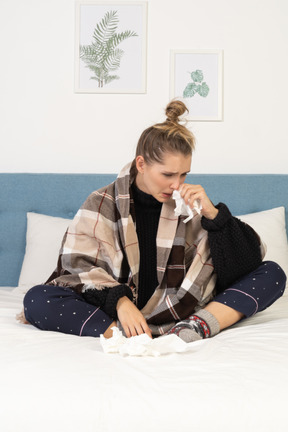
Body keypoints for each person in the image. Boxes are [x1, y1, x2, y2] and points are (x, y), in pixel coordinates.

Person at [21, 100, 286, 343]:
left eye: (184, 175)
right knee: (37, 299)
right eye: (168, 174)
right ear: (141, 164)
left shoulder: (190, 206)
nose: (176, 185)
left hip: (183, 311)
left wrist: (213, 216)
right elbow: (78, 270)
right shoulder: (101, 202)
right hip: (113, 312)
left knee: (273, 273)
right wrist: (120, 302)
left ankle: (193, 328)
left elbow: (246, 266)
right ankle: (117, 334)